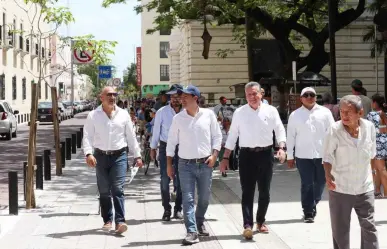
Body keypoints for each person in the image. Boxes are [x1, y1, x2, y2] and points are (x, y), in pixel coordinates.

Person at [219, 81, 286, 240]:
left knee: (265, 192)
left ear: (261, 93)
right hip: (246, 156)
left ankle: (260, 221)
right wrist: (225, 157)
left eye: (254, 93)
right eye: (248, 94)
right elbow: (233, 135)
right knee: (247, 191)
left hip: (265, 154)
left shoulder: (271, 111)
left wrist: (281, 148)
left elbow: (279, 129)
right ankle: (247, 225)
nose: (252, 97)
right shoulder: (240, 112)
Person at [83, 86, 143, 234]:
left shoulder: (123, 114)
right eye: (109, 94)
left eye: (114, 94)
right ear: (101, 97)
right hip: (100, 156)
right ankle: (107, 220)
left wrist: (138, 155)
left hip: (119, 156)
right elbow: (87, 136)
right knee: (104, 190)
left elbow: (131, 136)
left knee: (117, 188)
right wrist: (88, 154)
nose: (112, 97)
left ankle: (120, 221)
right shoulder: (93, 115)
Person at [166, 85, 222, 245]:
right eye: (181, 97)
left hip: (205, 164)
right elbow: (171, 143)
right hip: (185, 165)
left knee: (204, 198)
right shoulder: (178, 119)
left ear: (195, 98)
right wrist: (169, 165)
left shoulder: (209, 115)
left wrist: (214, 155)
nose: (181, 100)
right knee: (188, 199)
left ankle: (199, 221)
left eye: (185, 97)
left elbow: (217, 137)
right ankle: (191, 231)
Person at [323, 95, 379, 249]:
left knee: (369, 227)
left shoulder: (369, 128)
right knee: (340, 231)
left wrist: (373, 176)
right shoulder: (334, 130)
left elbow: (372, 155)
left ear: (360, 113)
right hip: (340, 187)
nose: (344, 116)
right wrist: (328, 175)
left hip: (364, 186)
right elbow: (327, 157)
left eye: (349, 112)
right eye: (341, 112)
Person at [287, 87, 335, 223]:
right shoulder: (294, 115)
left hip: (323, 155)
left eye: (312, 95)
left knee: (320, 182)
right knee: (307, 183)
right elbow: (290, 136)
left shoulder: (325, 113)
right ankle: (308, 211)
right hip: (303, 156)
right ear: (301, 98)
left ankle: (314, 202)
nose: (309, 97)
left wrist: (333, 153)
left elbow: (332, 133)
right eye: (306, 95)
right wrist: (290, 156)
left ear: (316, 97)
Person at [150, 84, 184, 221]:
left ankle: (178, 209)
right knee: (165, 179)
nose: (175, 99)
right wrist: (153, 148)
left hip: (183, 148)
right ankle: (166, 209)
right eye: (173, 96)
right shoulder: (162, 112)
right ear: (169, 97)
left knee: (182, 180)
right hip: (165, 147)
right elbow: (156, 131)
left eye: (178, 96)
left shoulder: (187, 111)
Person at [367, 93, 387, 198]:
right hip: (385, 142)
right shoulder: (384, 113)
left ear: (374, 103)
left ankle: (386, 193)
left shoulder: (372, 114)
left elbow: (368, 130)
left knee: (380, 169)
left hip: (377, 143)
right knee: (380, 169)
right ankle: (378, 191)